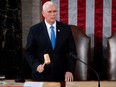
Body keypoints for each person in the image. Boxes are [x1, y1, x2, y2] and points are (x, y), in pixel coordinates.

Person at [25, 1, 77, 82]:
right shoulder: (34, 30)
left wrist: (69, 70)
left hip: (61, 75)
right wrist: (36, 65)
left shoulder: (65, 29)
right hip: (41, 75)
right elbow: (29, 52)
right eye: (50, 11)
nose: (53, 14)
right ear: (43, 13)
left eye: (55, 11)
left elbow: (72, 52)